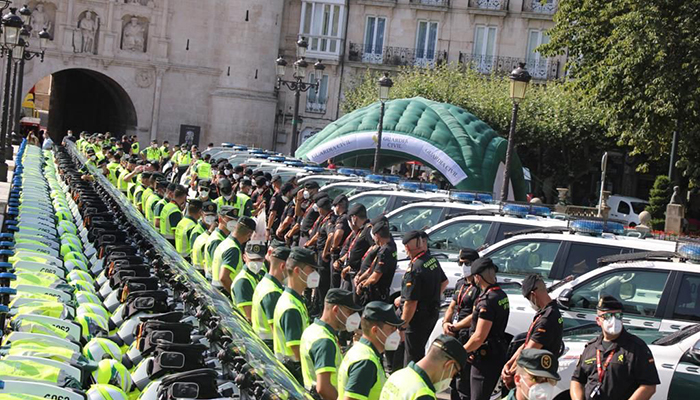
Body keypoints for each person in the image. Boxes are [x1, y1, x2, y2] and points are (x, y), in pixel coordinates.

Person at [570, 296, 659, 400]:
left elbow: (649, 386)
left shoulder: (636, 347)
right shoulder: (591, 347)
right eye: (607, 316)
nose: (613, 320)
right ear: (598, 320)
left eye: (617, 315)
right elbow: (577, 380)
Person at [502, 274, 563, 391]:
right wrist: (509, 363)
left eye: (528, 298)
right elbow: (527, 343)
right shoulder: (546, 312)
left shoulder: (547, 319)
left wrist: (512, 373)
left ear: (533, 295)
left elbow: (529, 351)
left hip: (539, 376)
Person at [300, 289, 363, 400]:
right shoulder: (324, 341)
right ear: (336, 309)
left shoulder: (314, 330)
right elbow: (323, 388)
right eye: (349, 312)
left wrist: (354, 347)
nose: (353, 317)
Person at [397, 230, 448, 365]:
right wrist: (431, 297)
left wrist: (403, 326)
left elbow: (411, 303)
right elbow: (444, 282)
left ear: (407, 248)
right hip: (431, 312)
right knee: (420, 351)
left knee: (412, 357)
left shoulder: (414, 269)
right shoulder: (431, 260)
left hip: (417, 319)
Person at [462, 258, 510, 400]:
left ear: (477, 277)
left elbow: (479, 337)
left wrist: (462, 352)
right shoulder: (501, 295)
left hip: (485, 358)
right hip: (496, 351)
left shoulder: (487, 301)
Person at [337, 301, 404, 400]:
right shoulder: (366, 362)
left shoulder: (361, 351)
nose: (395, 334)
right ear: (375, 330)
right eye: (391, 329)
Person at [273, 247, 320, 381]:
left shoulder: (295, 300)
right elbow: (297, 350)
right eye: (311, 270)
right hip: (293, 373)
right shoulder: (290, 307)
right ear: (297, 271)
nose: (315, 274)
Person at [442, 248, 480, 400]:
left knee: (464, 381)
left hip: (466, 334)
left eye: (467, 263)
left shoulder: (478, 288)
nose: (463, 266)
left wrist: (456, 326)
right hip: (454, 334)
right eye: (461, 263)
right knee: (453, 378)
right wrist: (446, 322)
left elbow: (475, 315)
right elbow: (452, 307)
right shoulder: (460, 284)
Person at [380, 334, 468, 400]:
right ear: (449, 365)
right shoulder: (423, 394)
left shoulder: (398, 375)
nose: (451, 378)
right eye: (454, 374)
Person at [252, 245, 291, 349]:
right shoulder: (272, 292)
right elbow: (277, 330)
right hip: (269, 346)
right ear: (283, 266)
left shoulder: (265, 283)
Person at [354, 220, 397, 304]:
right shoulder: (391, 245)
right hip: (380, 293)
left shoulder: (385, 251)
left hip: (377, 294)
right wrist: (360, 278)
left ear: (377, 236)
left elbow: (374, 278)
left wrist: (362, 286)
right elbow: (373, 268)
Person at [214, 216, 256, 293]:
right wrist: (235, 295)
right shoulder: (233, 249)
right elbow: (223, 278)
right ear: (249, 235)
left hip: (216, 291)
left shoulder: (226, 242)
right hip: (224, 293)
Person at [337, 204, 373, 292]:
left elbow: (373, 250)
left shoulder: (368, 230)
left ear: (354, 218)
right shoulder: (360, 230)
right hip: (350, 270)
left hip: (358, 273)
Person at [232, 243, 267, 321]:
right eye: (252, 259)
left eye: (259, 259)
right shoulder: (242, 282)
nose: (256, 263)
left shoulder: (260, 274)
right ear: (244, 257)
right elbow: (250, 316)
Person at [205, 206, 238, 281]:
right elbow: (218, 267)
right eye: (230, 219)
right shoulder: (217, 240)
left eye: (235, 220)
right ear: (220, 219)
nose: (233, 222)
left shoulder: (222, 237)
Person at [329, 195, 352, 288]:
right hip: (344, 253)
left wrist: (334, 246)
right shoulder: (348, 217)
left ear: (339, 205)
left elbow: (339, 233)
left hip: (338, 253)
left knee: (335, 282)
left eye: (335, 206)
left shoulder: (342, 218)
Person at [190, 201, 217, 276]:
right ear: (201, 213)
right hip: (200, 270)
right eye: (207, 215)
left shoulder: (213, 229)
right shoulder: (197, 231)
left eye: (212, 215)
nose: (210, 217)